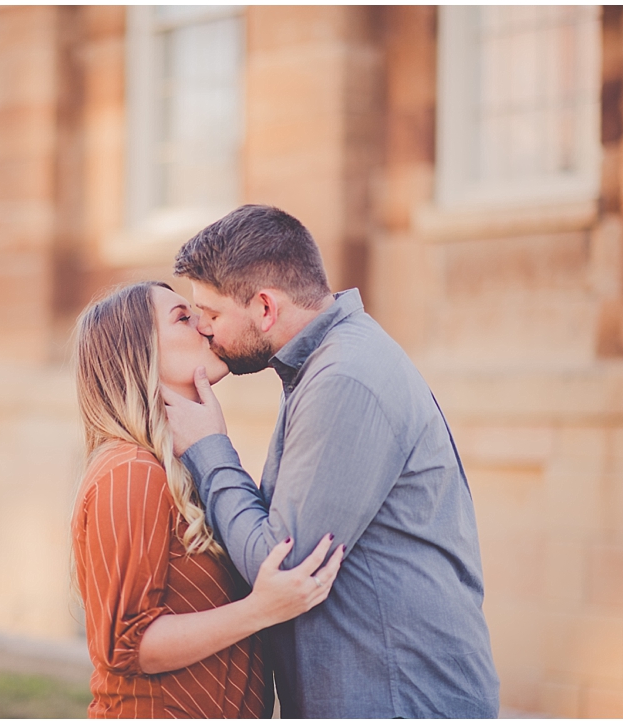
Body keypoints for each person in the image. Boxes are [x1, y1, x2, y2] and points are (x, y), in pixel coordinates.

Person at [161, 205, 501, 718]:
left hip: (397, 702)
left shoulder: (344, 378)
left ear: (265, 308)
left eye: (210, 315)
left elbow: (281, 566)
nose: (203, 331)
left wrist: (209, 446)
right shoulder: (324, 364)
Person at [70, 280, 345, 718]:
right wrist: (260, 609)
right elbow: (127, 644)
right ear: (139, 355)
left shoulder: (178, 467)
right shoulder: (130, 472)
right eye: (183, 317)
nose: (205, 325)